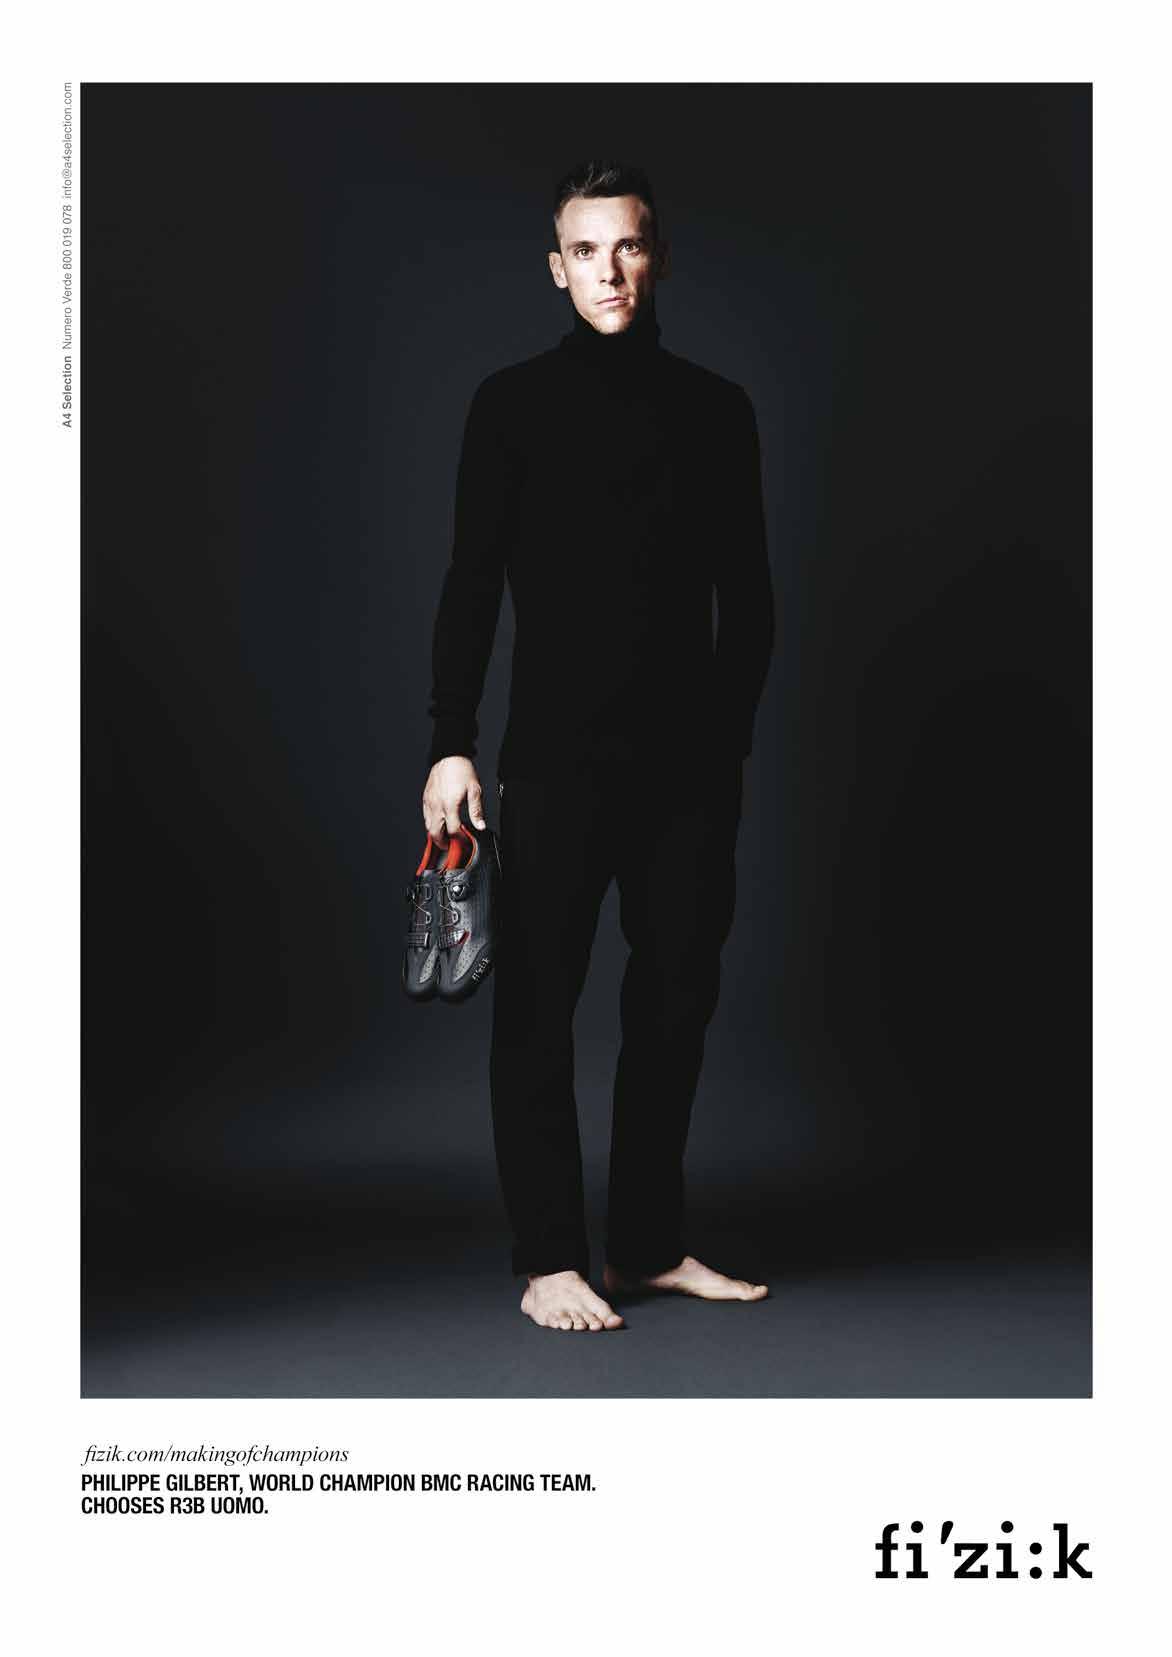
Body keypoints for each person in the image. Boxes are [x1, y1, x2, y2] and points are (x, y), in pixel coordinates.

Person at [422, 160, 774, 1332]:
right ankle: (548, 1259)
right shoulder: (509, 405)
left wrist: (722, 744)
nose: (608, 270)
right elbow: (471, 586)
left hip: (687, 776)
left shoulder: (717, 409)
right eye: (585, 250)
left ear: (656, 256)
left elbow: (750, 602)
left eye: (627, 246)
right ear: (556, 267)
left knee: (673, 1007)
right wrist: (450, 742)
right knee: (536, 1010)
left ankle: (647, 1245)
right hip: (554, 765)